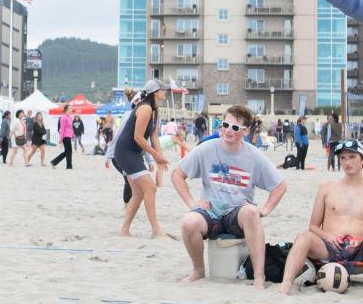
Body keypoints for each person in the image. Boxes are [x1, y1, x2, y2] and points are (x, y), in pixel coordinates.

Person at [172, 104, 288, 288]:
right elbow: (177, 175)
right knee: (189, 222)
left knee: (251, 212)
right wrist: (192, 203)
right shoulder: (206, 149)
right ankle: (199, 270)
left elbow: (280, 185)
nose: (228, 131)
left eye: (235, 127)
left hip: (238, 212)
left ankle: (259, 276)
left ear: (245, 131)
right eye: (224, 125)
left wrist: (265, 209)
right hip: (212, 211)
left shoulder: (254, 156)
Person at [278, 140, 363, 300]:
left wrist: (359, 241)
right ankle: (286, 285)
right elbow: (313, 226)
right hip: (328, 246)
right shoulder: (326, 188)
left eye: (352, 157)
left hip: (360, 250)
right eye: (343, 158)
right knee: (303, 236)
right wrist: (327, 236)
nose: (347, 162)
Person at [113, 80, 176, 239]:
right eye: (163, 89)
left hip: (133, 152)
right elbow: (138, 137)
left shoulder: (155, 111)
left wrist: (160, 157)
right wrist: (155, 155)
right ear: (155, 92)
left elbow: (154, 136)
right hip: (125, 152)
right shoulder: (145, 108)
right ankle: (156, 230)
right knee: (150, 188)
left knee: (138, 194)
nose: (165, 92)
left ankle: (124, 230)